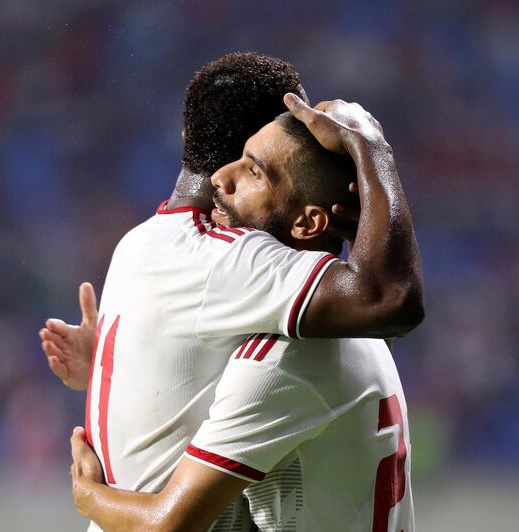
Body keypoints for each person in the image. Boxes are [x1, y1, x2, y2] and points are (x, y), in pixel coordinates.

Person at [41, 53, 423, 530]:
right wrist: (113, 370)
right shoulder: (337, 323)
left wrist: (89, 495)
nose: (225, 180)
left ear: (186, 140)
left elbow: (168, 523)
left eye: (255, 169)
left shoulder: (142, 245)